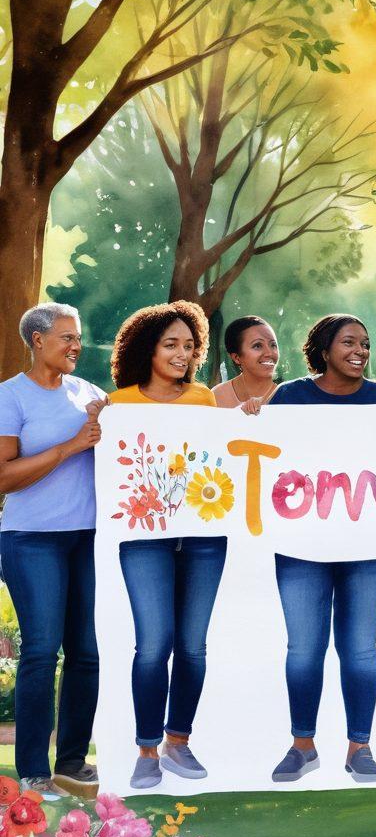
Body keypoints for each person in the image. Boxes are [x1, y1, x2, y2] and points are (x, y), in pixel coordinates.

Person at [268, 315, 376, 783]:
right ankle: (303, 746)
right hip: (301, 544)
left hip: (368, 544)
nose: (360, 349)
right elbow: (265, 455)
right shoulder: (289, 398)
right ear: (324, 349)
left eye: (365, 342)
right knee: (303, 650)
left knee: (360, 650)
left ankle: (359, 747)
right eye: (348, 342)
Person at [109, 301, 225, 790]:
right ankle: (146, 750)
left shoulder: (203, 399)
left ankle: (179, 741)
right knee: (153, 645)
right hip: (143, 539)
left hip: (202, 536)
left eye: (189, 345)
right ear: (146, 349)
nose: (182, 353)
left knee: (193, 647)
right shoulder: (118, 405)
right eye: (170, 344)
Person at [0, 303, 105, 800]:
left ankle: (72, 762)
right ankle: (33, 771)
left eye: (78, 337)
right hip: (31, 539)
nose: (75, 346)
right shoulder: (10, 397)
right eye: (66, 337)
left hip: (89, 538)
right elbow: (4, 477)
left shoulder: (91, 395)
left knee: (87, 651)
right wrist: (69, 446)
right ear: (37, 340)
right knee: (42, 651)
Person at [211, 316, 280, 412]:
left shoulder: (288, 396)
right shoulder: (217, 396)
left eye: (273, 345)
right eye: (257, 346)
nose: (269, 353)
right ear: (236, 358)